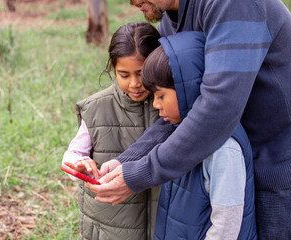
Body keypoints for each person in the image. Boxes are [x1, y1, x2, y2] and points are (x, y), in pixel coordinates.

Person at [87, 0, 291, 239]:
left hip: (274, 170)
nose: (133, 2)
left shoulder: (234, 4)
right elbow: (180, 110)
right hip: (220, 166)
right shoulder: (168, 18)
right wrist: (128, 161)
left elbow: (216, 109)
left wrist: (139, 174)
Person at [146, 31, 256, 239]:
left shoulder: (225, 148)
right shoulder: (182, 132)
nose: (155, 104)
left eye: (161, 95)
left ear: (188, 88)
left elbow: (226, 225)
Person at [62, 22, 161, 240]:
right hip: (111, 228)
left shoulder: (169, 104)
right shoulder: (97, 108)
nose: (135, 83)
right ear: (112, 68)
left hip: (162, 225)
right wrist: (79, 165)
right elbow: (71, 157)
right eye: (124, 75)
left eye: (142, 73)